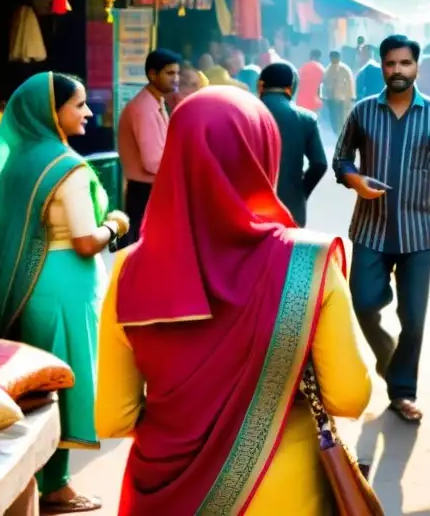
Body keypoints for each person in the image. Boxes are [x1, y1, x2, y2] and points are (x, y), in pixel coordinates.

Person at [94, 88, 371, 515]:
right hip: (285, 493)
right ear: (263, 156)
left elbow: (113, 418)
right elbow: (349, 398)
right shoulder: (307, 264)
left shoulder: (129, 269)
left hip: (165, 496)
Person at [0, 72, 130, 513]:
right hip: (66, 284)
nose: (87, 112)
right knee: (62, 378)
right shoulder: (67, 168)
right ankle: (57, 486)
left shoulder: (19, 163)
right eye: (78, 104)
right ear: (53, 111)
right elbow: (86, 241)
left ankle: (38, 476)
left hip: (30, 283)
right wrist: (116, 224)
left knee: (35, 383)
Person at [333, 34, 430, 424]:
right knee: (365, 304)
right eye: (391, 64)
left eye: (405, 64)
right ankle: (389, 357)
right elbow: (341, 159)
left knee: (415, 318)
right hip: (370, 230)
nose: (397, 71)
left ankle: (403, 391)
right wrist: (355, 181)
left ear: (417, 66)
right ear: (382, 66)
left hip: (419, 234)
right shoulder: (363, 112)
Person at [118, 48, 179, 245]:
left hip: (150, 188)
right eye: (170, 73)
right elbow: (153, 162)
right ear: (152, 74)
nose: (175, 78)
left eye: (177, 73)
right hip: (144, 191)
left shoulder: (156, 102)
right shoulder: (143, 108)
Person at [258, 62, 328, 227]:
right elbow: (320, 164)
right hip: (291, 207)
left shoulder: (244, 113)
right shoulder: (306, 119)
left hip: (250, 208)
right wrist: (300, 192)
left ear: (261, 85)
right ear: (291, 87)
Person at [321, 50, 355, 134]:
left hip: (342, 100)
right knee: (334, 120)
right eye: (332, 57)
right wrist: (324, 97)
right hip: (331, 100)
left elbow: (350, 84)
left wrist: (351, 97)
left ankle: (342, 135)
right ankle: (337, 134)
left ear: (339, 58)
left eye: (335, 57)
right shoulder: (327, 70)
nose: (334, 59)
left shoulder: (345, 70)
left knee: (342, 119)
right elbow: (324, 84)